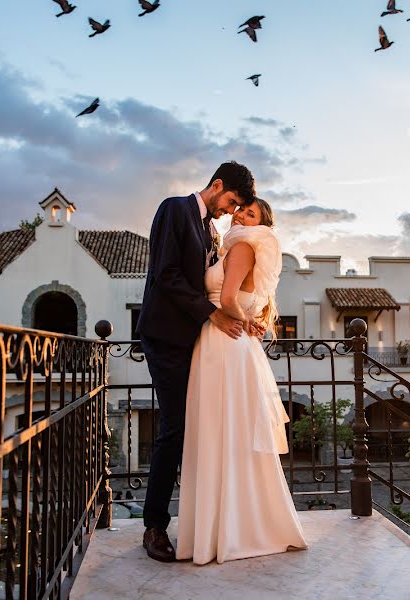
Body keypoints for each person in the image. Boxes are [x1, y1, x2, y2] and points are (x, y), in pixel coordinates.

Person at [176, 199, 307, 564]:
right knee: (229, 430)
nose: (240, 216)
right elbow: (245, 301)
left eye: (250, 214)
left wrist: (242, 321)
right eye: (241, 210)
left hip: (224, 341)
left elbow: (230, 297)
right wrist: (248, 321)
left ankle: (227, 531)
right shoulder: (233, 249)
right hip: (231, 342)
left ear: (262, 226)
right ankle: (235, 526)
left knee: (221, 430)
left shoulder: (243, 247)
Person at [136, 161, 255, 562]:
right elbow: (166, 275)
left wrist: (242, 316)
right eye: (231, 201)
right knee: (174, 429)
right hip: (166, 338)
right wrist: (212, 315)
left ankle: (202, 522)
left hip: (197, 343)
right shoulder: (175, 209)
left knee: (201, 429)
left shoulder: (211, 231)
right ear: (217, 185)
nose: (230, 210)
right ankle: (154, 526)